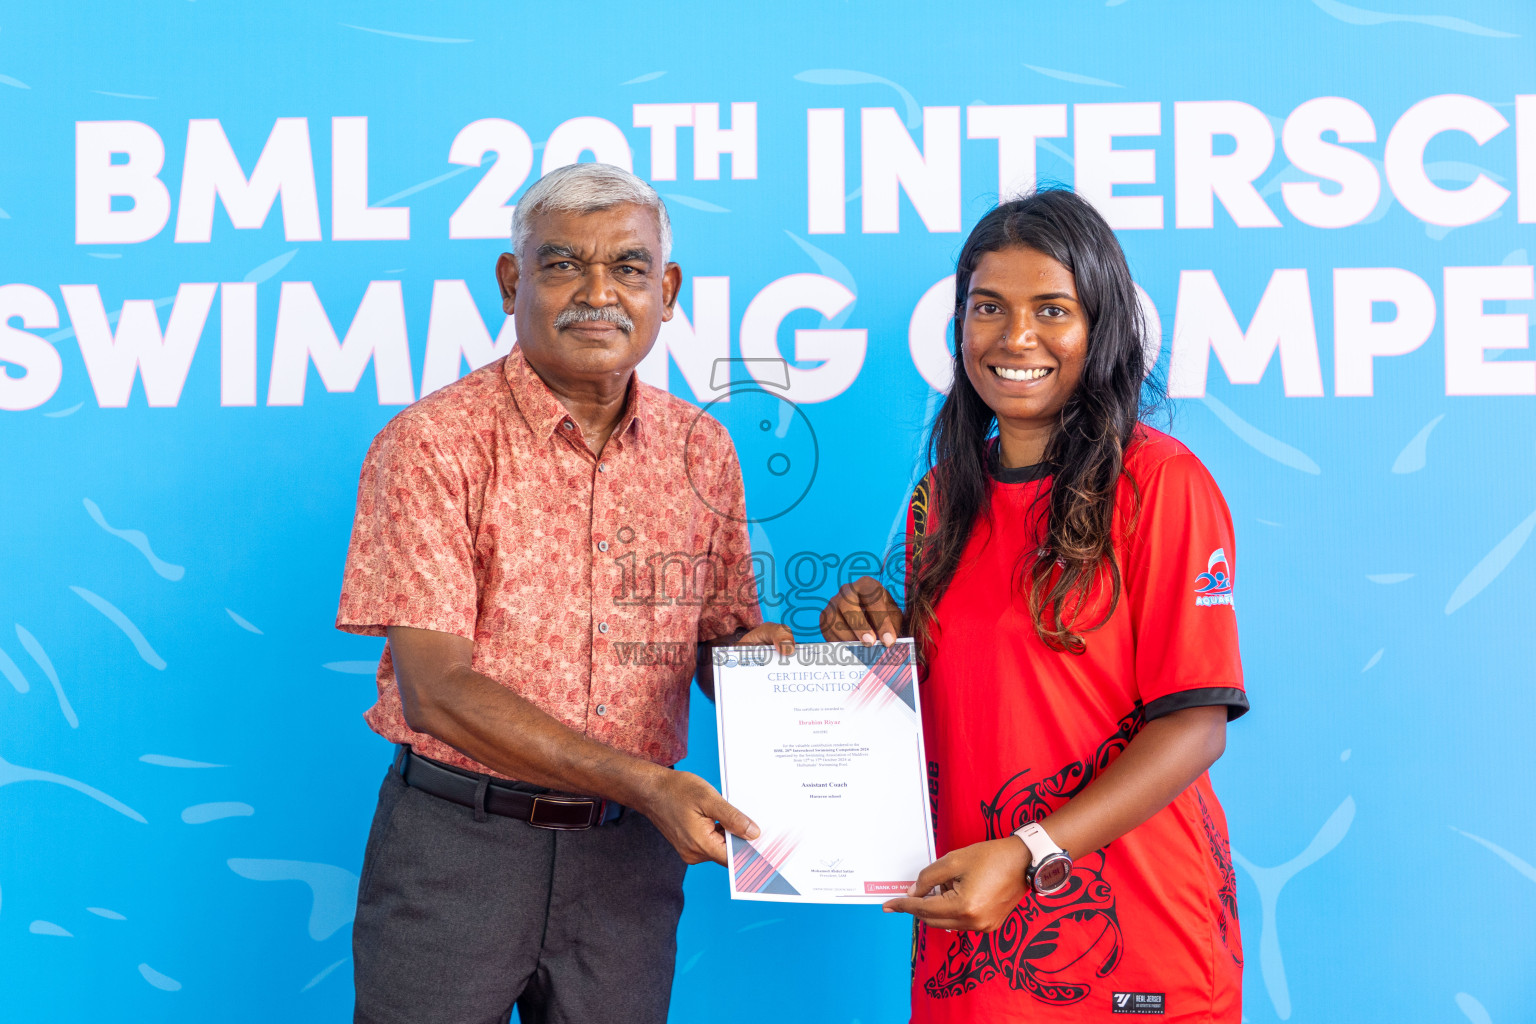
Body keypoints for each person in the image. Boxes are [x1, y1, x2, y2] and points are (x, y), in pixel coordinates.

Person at [336, 161, 794, 1024]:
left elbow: (717, 644)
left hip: (626, 867)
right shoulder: (431, 446)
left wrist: (777, 666)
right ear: (512, 283)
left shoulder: (704, 449)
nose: (598, 292)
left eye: (626, 267)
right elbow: (437, 693)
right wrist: (647, 783)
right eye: (561, 265)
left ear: (667, 289)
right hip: (456, 851)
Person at [821, 188, 1248, 1022]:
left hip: (1135, 931)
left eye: (1052, 308)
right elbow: (980, 696)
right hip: (976, 930)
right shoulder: (939, 501)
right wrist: (874, 644)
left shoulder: (1160, 484)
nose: (1015, 338)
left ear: (1103, 327)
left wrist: (1027, 855)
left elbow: (1194, 725)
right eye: (989, 308)